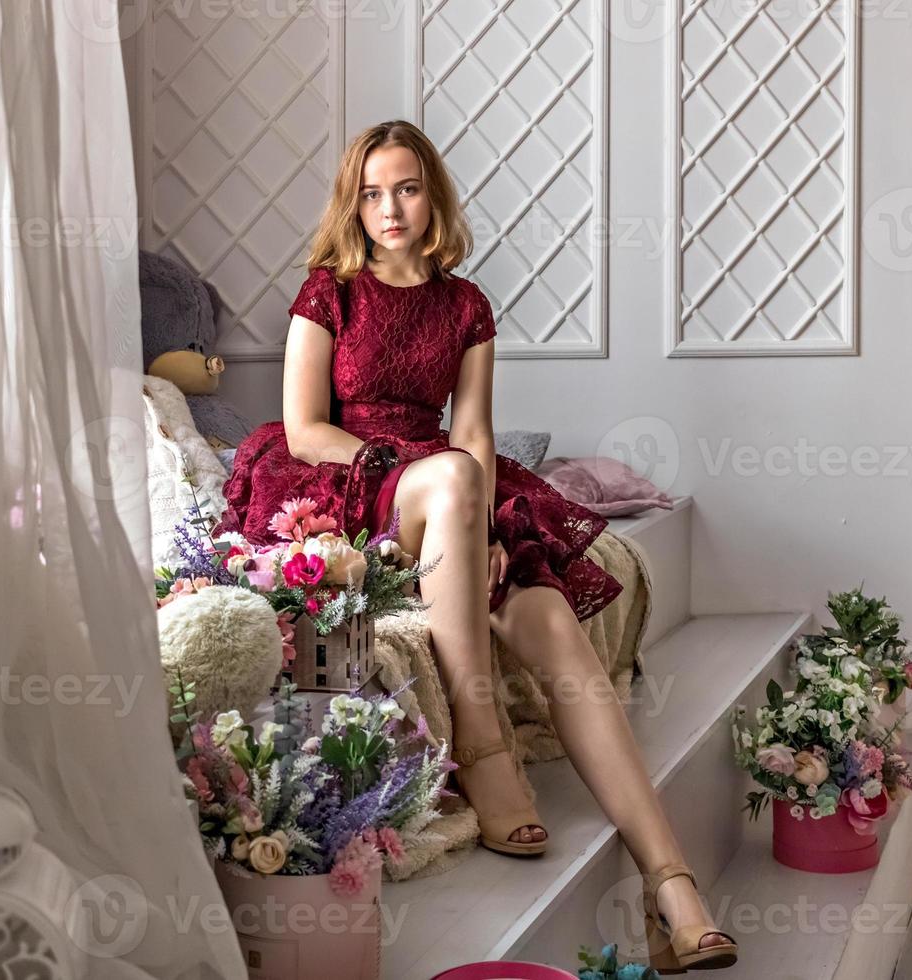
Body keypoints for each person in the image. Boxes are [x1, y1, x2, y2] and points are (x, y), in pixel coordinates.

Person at [214, 120, 736, 972]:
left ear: (432, 198)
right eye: (374, 192)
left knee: (553, 626)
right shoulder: (328, 292)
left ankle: (671, 889)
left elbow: (478, 435)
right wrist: (425, 471)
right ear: (355, 201)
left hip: (452, 493)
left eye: (408, 188)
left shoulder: (465, 304)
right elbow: (307, 429)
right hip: (354, 483)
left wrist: (484, 522)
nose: (391, 207)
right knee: (452, 475)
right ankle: (484, 747)